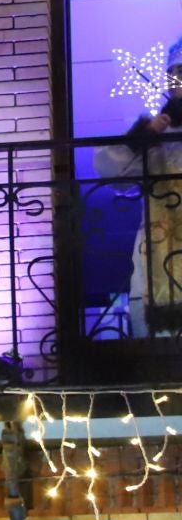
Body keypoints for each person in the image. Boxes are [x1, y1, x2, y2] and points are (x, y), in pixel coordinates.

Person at [97, 41, 182, 337]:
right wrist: (144, 136)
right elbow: (111, 169)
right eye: (178, 75)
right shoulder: (156, 131)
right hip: (162, 237)